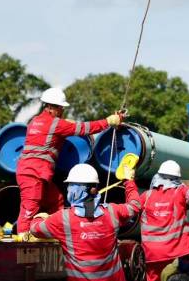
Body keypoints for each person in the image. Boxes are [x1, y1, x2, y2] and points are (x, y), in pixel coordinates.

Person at [16, 87, 123, 236]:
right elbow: (83, 129)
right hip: (33, 174)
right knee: (30, 206)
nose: (62, 111)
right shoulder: (56, 124)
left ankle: (56, 232)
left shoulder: (35, 121)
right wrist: (108, 121)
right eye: (61, 108)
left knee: (56, 200)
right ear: (52, 107)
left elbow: (47, 134)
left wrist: (65, 124)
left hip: (34, 172)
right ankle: (22, 239)